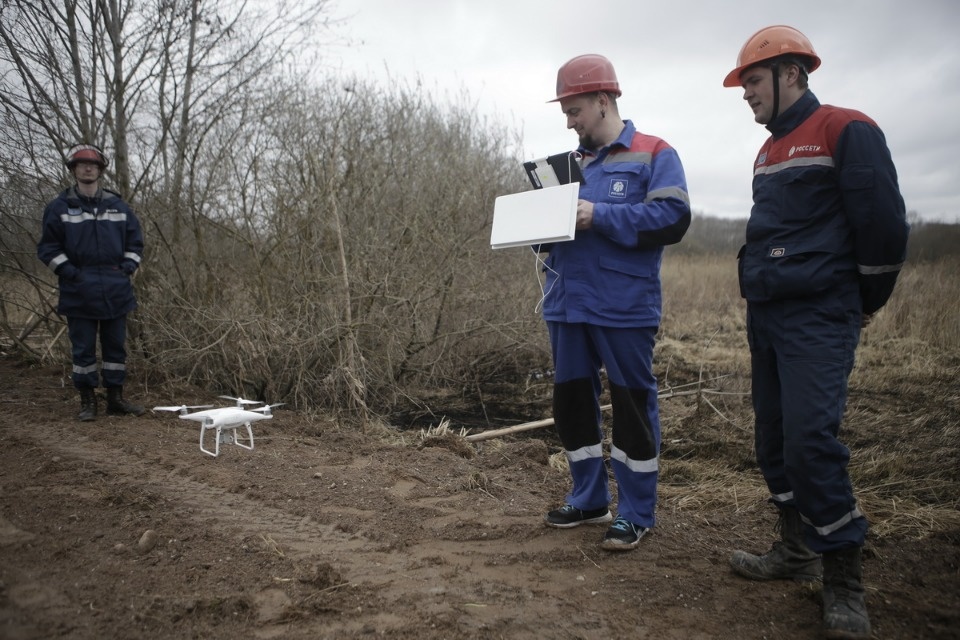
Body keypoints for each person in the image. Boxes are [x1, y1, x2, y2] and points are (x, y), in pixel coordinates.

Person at [722, 26, 909, 639]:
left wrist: (863, 300)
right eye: (745, 82)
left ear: (792, 73)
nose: (745, 93)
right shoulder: (767, 151)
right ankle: (794, 550)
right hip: (768, 315)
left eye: (752, 80)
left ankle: (844, 581)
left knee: (809, 443)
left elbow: (881, 221)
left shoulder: (845, 128)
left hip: (820, 315)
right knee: (773, 440)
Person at [541, 54, 691, 551]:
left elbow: (672, 218)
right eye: (565, 112)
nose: (568, 121)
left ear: (603, 101)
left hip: (623, 305)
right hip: (566, 303)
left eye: (574, 109)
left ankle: (636, 512)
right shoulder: (568, 167)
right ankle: (588, 499)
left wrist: (598, 215)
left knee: (630, 407)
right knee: (572, 407)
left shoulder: (655, 153)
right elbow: (557, 232)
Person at [37, 143, 146, 421]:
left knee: (115, 348)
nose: (88, 168)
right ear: (73, 170)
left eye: (93, 165)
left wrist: (128, 267)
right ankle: (88, 401)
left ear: (100, 170)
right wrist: (72, 273)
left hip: (115, 288)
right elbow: (48, 249)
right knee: (83, 348)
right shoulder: (60, 207)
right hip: (78, 291)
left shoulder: (118, 206)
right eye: (82, 164)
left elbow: (135, 242)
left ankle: (115, 399)